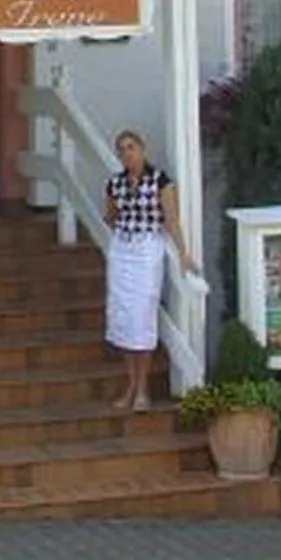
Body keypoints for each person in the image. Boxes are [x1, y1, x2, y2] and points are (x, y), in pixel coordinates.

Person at [101, 128, 192, 410]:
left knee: (142, 314)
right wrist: (114, 216)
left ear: (142, 149)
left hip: (146, 250)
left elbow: (171, 220)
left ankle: (143, 387)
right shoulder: (115, 183)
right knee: (123, 317)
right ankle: (130, 384)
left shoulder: (160, 181)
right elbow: (109, 215)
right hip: (122, 249)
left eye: (131, 147)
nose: (127, 153)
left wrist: (183, 252)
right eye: (121, 149)